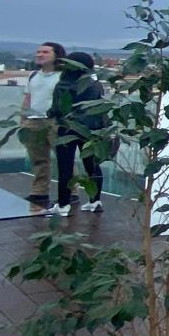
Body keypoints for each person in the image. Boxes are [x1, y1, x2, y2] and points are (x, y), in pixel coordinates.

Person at [47, 51, 106, 217]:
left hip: (67, 128)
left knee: (65, 167)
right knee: (92, 166)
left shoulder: (63, 84)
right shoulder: (95, 84)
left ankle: (63, 205)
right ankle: (95, 201)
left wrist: (50, 114)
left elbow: (57, 109)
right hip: (91, 130)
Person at [19, 42, 65, 213]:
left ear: (56, 55)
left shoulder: (63, 76)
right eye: (38, 52)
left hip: (55, 121)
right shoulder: (33, 75)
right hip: (34, 121)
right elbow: (27, 98)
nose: (40, 54)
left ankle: (70, 192)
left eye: (45, 52)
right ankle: (39, 192)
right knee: (38, 160)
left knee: (63, 159)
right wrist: (22, 120)